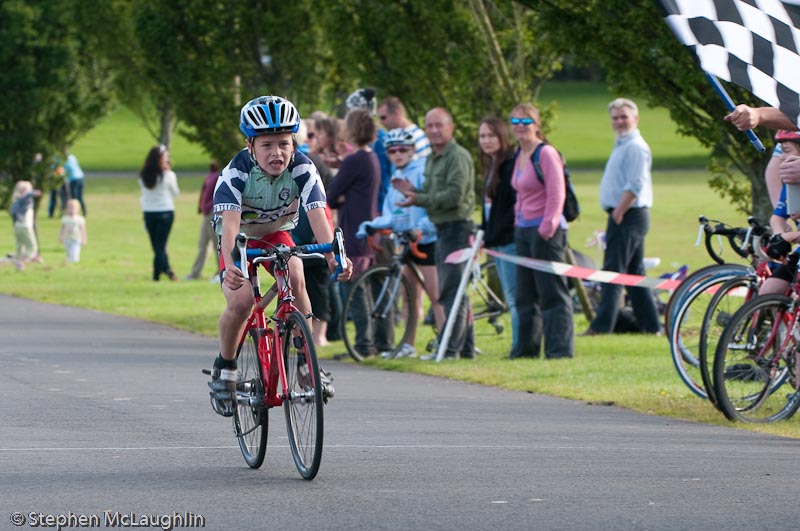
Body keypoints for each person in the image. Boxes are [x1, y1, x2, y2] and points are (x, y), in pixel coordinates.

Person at [208, 95, 351, 417]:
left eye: (284, 143)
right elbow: (229, 228)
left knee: (297, 275)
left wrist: (332, 254)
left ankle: (305, 362)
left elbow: (318, 214)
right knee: (241, 301)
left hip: (276, 232)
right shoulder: (235, 173)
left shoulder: (303, 167)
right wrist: (232, 266)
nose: (277, 153)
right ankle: (225, 366)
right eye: (267, 145)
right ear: (250, 146)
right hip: (240, 237)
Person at [393, 107, 476, 360]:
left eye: (439, 125)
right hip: (442, 229)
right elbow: (431, 194)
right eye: (429, 126)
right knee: (453, 290)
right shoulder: (432, 157)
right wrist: (414, 194)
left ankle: (450, 350)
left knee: (451, 291)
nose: (433, 130)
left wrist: (419, 198)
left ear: (451, 127)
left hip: (457, 228)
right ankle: (464, 349)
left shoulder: (457, 156)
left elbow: (453, 197)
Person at [357, 128, 444, 358]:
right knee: (409, 296)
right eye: (392, 150)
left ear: (412, 150)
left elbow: (431, 207)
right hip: (406, 242)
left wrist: (421, 228)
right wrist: (372, 225)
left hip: (427, 240)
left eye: (403, 150)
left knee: (436, 295)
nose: (398, 154)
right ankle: (408, 344)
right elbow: (392, 214)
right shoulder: (396, 176)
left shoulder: (421, 172)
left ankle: (445, 345)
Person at [582, 98, 660, 336]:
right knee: (634, 274)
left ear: (635, 118)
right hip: (625, 213)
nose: (619, 122)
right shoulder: (622, 144)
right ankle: (651, 326)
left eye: (624, 117)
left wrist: (619, 211)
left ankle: (601, 327)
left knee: (612, 271)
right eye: (615, 118)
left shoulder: (635, 146)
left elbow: (636, 184)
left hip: (628, 214)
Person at [507, 105, 573, 359]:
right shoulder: (519, 153)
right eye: (515, 121)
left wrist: (549, 224)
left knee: (552, 293)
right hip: (523, 229)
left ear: (537, 125)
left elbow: (557, 192)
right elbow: (520, 193)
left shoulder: (545, 153)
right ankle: (526, 350)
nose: (520, 126)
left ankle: (559, 351)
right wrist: (517, 222)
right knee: (525, 294)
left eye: (526, 121)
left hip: (546, 231)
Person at [327, 108, 382, 358]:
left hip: (353, 231)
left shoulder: (354, 160)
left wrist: (341, 197)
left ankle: (363, 344)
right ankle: (369, 341)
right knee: (364, 289)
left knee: (354, 290)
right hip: (368, 229)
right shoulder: (371, 158)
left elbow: (331, 195)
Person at [477, 117, 519, 355]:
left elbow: (511, 205)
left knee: (514, 296)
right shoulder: (493, 165)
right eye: (482, 136)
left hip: (509, 240)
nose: (486, 141)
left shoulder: (510, 164)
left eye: (491, 136)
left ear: (502, 137)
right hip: (496, 241)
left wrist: (498, 230)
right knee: (509, 295)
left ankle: (519, 347)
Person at [758, 130, 800, 296]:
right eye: (780, 152)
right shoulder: (791, 185)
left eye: (787, 151)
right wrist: (779, 236)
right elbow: (778, 216)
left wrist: (789, 237)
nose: (781, 158)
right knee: (767, 291)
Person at [139, 145, 180, 282]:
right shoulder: (168, 175)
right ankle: (159, 274)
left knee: (156, 245)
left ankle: (165, 270)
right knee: (160, 246)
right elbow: (176, 192)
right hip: (165, 211)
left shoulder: (144, 175)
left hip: (149, 212)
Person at [185, 160, 221, 281]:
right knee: (202, 244)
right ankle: (195, 272)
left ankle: (221, 272)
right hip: (206, 213)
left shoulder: (220, 174)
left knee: (217, 244)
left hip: (213, 212)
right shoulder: (211, 174)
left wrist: (210, 207)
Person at [9, 180, 42, 268]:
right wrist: (35, 193)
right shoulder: (25, 200)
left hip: (17, 226)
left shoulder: (16, 201)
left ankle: (18, 259)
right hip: (25, 226)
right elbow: (28, 195)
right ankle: (25, 259)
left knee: (20, 245)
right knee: (32, 246)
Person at [58, 198, 87, 263]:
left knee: (75, 251)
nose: (71, 210)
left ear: (78, 209)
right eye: (69, 208)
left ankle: (75, 260)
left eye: (73, 208)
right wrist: (60, 237)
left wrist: (84, 239)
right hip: (67, 238)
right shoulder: (65, 219)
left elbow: (83, 230)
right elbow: (62, 229)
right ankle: (69, 261)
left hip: (77, 238)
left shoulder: (80, 219)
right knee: (68, 252)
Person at [63, 151, 86, 216]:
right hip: (80, 177)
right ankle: (84, 211)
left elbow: (63, 171)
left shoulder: (65, 161)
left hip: (73, 179)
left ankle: (76, 212)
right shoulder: (72, 157)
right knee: (80, 197)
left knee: (74, 198)